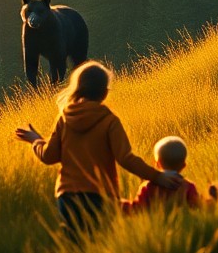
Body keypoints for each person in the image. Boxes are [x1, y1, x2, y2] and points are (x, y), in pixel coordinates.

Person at [15, 61, 181, 237]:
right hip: (100, 197)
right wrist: (158, 176)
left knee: (76, 247)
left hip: (67, 196)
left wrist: (36, 141)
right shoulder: (110, 121)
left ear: (78, 88)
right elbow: (125, 158)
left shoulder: (64, 118)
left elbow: (49, 156)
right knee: (99, 245)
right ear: (104, 93)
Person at [122, 135, 215, 212]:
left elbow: (136, 208)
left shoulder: (148, 186)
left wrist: (118, 204)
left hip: (155, 230)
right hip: (181, 229)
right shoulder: (187, 186)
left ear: (157, 164)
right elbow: (198, 205)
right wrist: (211, 199)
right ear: (183, 165)